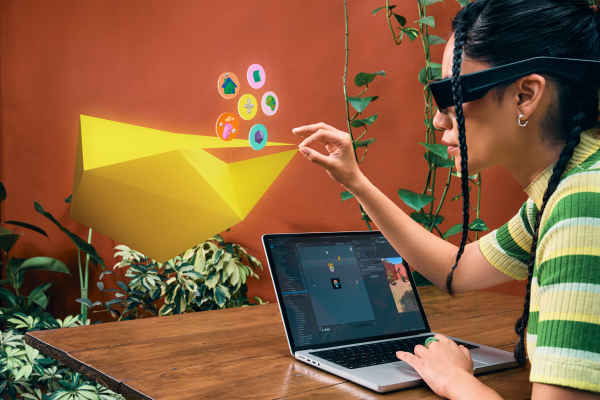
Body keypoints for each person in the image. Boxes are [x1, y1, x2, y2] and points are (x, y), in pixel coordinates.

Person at [292, 1, 600, 398]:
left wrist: (454, 379)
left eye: (450, 92)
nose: (439, 119)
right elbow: (456, 272)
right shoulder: (559, 193)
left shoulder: (584, 204)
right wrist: (356, 181)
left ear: (526, 95)